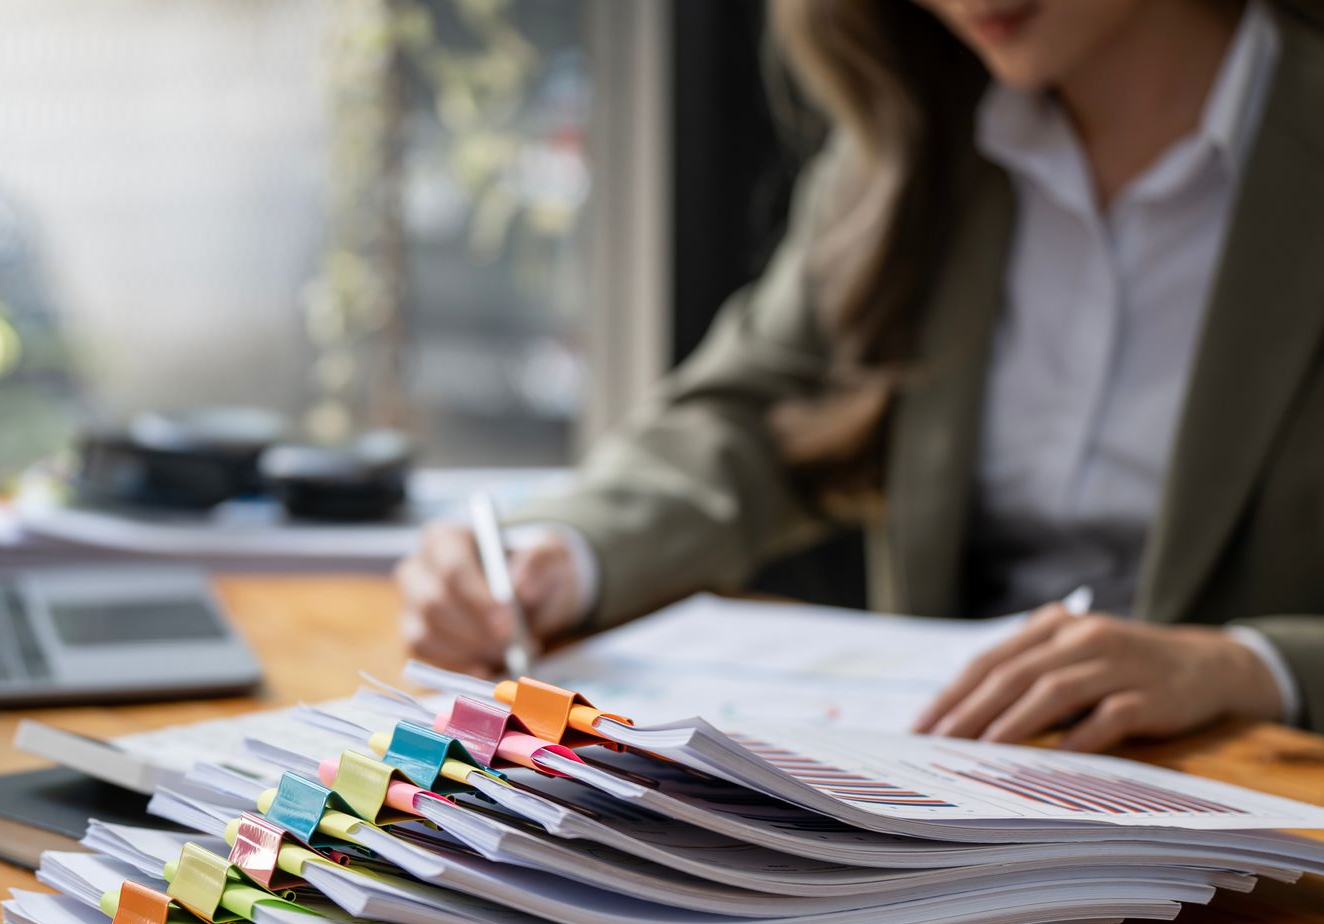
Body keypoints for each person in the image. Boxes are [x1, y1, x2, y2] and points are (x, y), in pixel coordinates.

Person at [397, 0, 1324, 752]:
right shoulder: (924, 136)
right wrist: (563, 552)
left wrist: (1243, 666)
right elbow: (754, 413)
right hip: (970, 800)